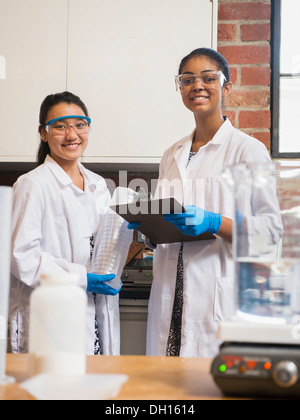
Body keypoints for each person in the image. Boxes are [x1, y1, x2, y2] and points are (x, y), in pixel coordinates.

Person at [131, 48, 272, 358]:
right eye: (187, 79)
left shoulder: (247, 151)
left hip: (216, 296)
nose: (197, 86)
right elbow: (168, 223)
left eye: (208, 78)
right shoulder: (172, 154)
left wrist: (213, 222)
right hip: (170, 295)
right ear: (180, 87)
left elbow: (269, 236)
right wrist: (148, 226)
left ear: (226, 87)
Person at [9, 91, 131, 355]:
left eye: (79, 124)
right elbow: (23, 257)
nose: (72, 135)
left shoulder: (98, 184)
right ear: (43, 133)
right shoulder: (32, 184)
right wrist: (80, 278)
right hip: (51, 314)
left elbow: (98, 248)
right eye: (60, 126)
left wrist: (124, 234)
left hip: (94, 314)